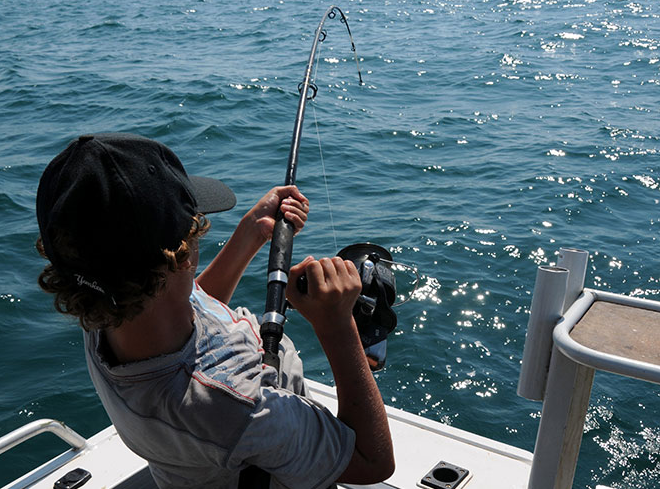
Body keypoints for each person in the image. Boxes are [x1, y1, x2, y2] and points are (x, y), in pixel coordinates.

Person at [35, 133, 394, 488]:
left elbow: (185, 301)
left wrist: (251, 233)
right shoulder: (235, 407)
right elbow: (371, 462)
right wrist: (336, 326)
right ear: (182, 257)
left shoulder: (103, 305)